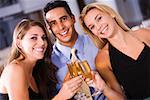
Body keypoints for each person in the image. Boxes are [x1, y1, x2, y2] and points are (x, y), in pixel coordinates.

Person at [80, 2, 150, 99]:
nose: (98, 27)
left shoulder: (145, 34)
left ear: (111, 14)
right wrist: (104, 88)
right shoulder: (102, 60)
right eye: (92, 27)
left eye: (99, 18)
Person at [0, 19, 83, 100]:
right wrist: (61, 96)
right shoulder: (15, 70)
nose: (42, 43)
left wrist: (65, 86)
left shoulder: (36, 69)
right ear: (19, 43)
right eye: (33, 38)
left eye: (43, 38)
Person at [43, 0, 106, 99]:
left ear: (73, 18)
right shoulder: (48, 63)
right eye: (53, 23)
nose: (61, 27)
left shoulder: (97, 41)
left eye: (63, 19)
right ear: (49, 29)